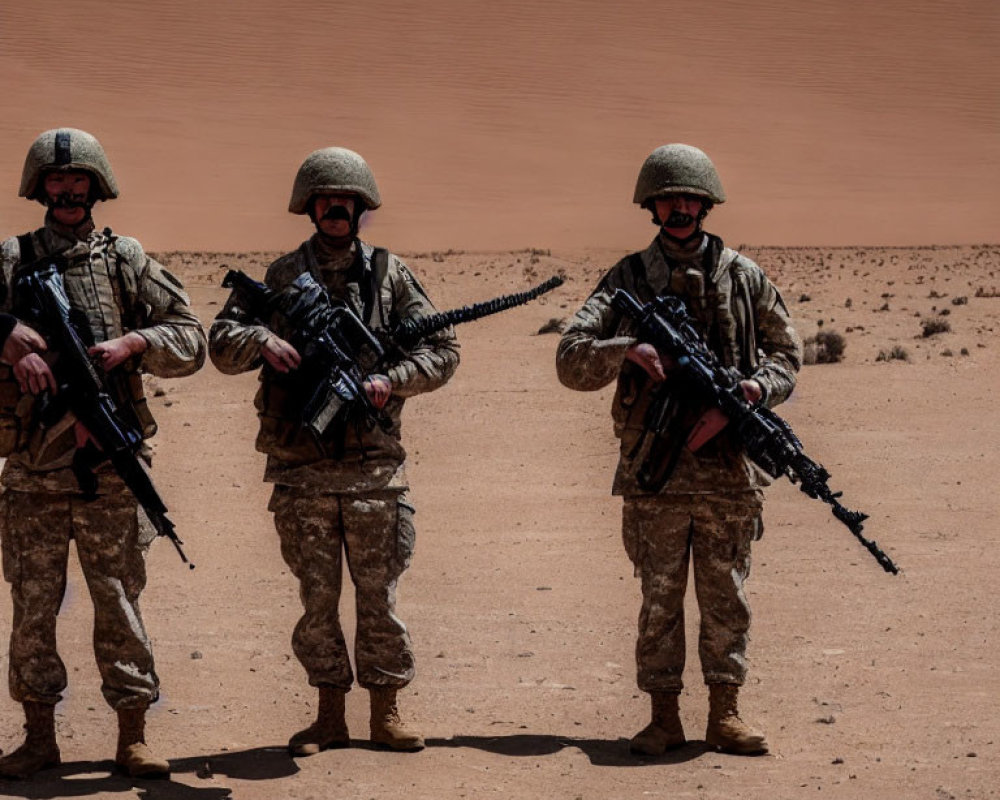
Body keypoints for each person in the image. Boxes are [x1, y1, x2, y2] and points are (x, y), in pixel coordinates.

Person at [209, 146, 459, 755]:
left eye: (345, 201)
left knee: (379, 599)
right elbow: (220, 341)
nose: (335, 209)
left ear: (361, 207)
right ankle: (328, 714)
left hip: (375, 471)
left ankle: (386, 710)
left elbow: (443, 349)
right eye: (325, 200)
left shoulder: (390, 275)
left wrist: (391, 380)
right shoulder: (280, 276)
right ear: (310, 207)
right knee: (316, 600)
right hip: (302, 471)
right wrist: (262, 339)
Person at [556, 144, 802, 756]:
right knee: (658, 599)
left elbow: (787, 356)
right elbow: (570, 358)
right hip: (654, 474)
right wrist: (626, 351)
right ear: (652, 206)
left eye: (690, 198)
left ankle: (726, 714)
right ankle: (663, 717)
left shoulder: (745, 278)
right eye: (668, 199)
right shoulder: (627, 280)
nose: (680, 208)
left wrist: (749, 392)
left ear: (707, 203)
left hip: (729, 473)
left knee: (727, 599)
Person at [0, 128, 207, 779]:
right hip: (33, 471)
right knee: (33, 606)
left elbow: (191, 337)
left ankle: (133, 735)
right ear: (40, 189)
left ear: (96, 186)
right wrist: (8, 337)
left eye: (78, 182)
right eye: (56, 183)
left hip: (109, 474)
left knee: (118, 602)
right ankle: (38, 736)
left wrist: (135, 344)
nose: (67, 192)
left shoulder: (125, 258)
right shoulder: (10, 258)